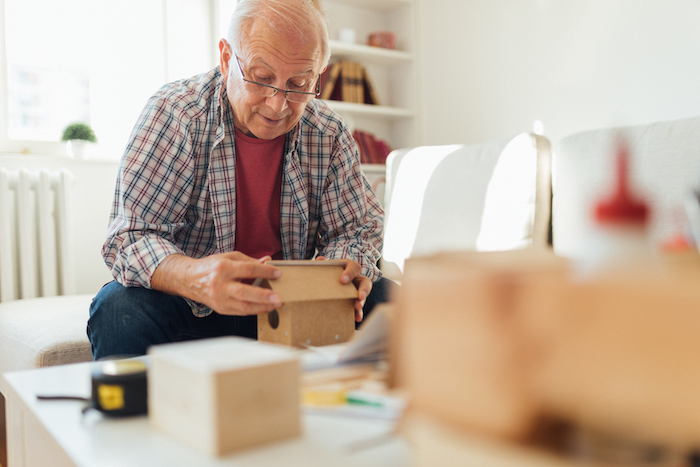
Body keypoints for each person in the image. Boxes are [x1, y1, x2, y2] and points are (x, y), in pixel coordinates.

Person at [87, 0, 392, 360]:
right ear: (226, 58)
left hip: (289, 308)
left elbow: (358, 229)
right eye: (262, 78)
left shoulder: (328, 132)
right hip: (192, 305)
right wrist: (195, 276)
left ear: (318, 75)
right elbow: (128, 239)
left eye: (298, 84)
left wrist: (339, 270)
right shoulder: (175, 113)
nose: (278, 104)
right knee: (118, 309)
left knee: (394, 301)